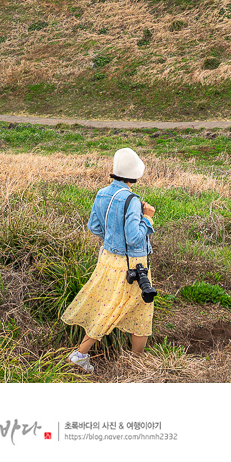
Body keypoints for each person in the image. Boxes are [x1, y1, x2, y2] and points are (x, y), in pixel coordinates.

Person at [61, 147, 156, 374]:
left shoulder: (102, 193)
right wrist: (148, 218)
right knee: (143, 309)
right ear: (135, 174)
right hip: (132, 263)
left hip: (108, 260)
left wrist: (113, 238)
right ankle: (135, 363)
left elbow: (93, 226)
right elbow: (134, 238)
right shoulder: (132, 199)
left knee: (108, 305)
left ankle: (82, 354)